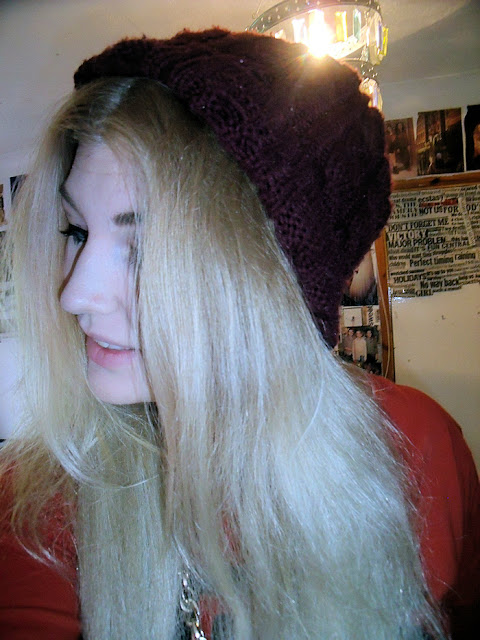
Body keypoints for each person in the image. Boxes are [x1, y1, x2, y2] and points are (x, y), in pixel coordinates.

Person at [0, 29, 478, 640]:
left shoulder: (416, 446)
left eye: (147, 247)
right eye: (75, 231)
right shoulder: (41, 503)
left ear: (272, 282)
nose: (74, 295)